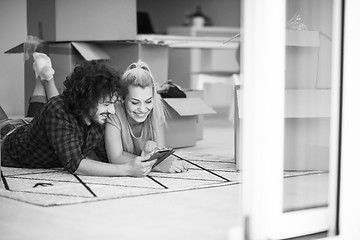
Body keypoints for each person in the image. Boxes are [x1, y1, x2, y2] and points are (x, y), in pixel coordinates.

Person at [1, 54, 157, 176]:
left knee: (36, 120)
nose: (112, 111)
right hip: (5, 137)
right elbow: (76, 164)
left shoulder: (96, 119)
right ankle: (45, 79)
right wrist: (128, 170)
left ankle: (42, 78)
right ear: (89, 100)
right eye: (107, 104)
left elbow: (110, 156)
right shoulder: (57, 110)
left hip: (33, 128)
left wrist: (149, 161)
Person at [105, 60, 188, 176]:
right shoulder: (114, 112)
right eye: (135, 103)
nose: (143, 109)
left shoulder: (156, 112)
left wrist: (153, 148)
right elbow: (115, 157)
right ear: (123, 99)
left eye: (148, 101)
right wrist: (155, 164)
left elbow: (161, 153)